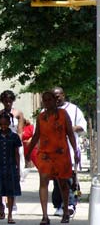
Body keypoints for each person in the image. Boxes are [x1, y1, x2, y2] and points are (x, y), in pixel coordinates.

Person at [25, 91, 78, 224]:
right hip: (45, 154)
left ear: (55, 100)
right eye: (45, 100)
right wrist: (29, 151)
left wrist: (76, 150)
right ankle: (44, 216)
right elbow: (36, 135)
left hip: (61, 153)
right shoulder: (41, 117)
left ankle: (66, 211)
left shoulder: (63, 115)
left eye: (50, 100)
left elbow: (70, 133)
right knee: (43, 181)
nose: (47, 103)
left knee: (63, 183)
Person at [51, 87, 87, 217]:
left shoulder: (74, 109)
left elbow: (83, 126)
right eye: (54, 96)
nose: (57, 98)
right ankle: (59, 204)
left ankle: (70, 204)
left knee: (68, 178)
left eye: (58, 95)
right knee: (56, 179)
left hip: (69, 150)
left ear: (63, 95)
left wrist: (71, 128)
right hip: (53, 151)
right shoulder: (47, 110)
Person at [0, 90, 25, 213]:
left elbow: (20, 131)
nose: (8, 103)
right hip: (1, 143)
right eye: (5, 100)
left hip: (14, 143)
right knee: (1, 177)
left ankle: (13, 204)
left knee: (15, 175)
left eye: (10, 100)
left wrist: (17, 144)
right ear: (2, 101)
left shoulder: (18, 113)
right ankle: (2, 203)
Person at [0, 111, 22, 224]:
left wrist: (18, 168)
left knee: (10, 190)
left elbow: (17, 153)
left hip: (11, 165)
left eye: (5, 124)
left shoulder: (14, 137)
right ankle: (1, 205)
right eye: (1, 124)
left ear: (9, 123)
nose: (3, 126)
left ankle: (10, 215)